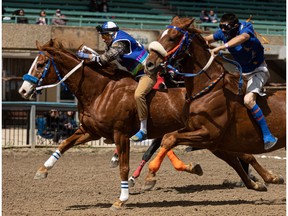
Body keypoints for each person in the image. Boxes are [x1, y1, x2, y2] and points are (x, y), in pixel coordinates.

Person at [204, 13, 277, 150]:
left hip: (258, 70)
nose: (223, 30)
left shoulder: (245, 28)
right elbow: (205, 40)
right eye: (221, 27)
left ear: (235, 26)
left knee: (248, 101)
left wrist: (221, 47)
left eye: (226, 27)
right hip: (241, 73)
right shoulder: (223, 33)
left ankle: (268, 136)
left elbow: (243, 38)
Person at [76, 21, 154, 142]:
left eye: (105, 36)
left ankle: (143, 130)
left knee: (139, 95)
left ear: (112, 34)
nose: (103, 39)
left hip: (147, 72)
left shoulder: (120, 42)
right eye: (102, 36)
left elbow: (105, 59)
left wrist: (87, 56)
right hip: (136, 74)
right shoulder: (115, 40)